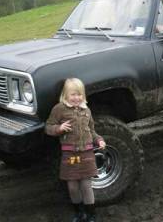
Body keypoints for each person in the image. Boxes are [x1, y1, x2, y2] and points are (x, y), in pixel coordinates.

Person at [45, 78, 106, 222]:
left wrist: (99, 140)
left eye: (79, 94)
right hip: (69, 154)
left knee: (86, 185)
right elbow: (48, 127)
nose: (76, 98)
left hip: (87, 154)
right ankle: (79, 213)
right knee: (72, 187)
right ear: (65, 95)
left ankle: (91, 215)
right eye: (73, 94)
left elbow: (91, 131)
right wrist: (59, 129)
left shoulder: (87, 110)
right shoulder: (59, 109)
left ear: (83, 95)